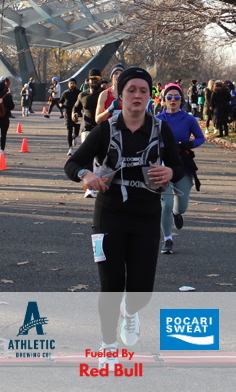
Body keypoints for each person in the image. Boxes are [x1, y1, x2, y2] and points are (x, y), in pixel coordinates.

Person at [64, 67, 183, 358]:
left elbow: (179, 166)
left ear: (151, 95)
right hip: (109, 214)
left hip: (146, 215)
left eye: (143, 91)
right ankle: (108, 344)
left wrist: (170, 171)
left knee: (142, 290)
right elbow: (72, 163)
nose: (137, 96)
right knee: (111, 285)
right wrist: (85, 174)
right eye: (131, 90)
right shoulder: (105, 129)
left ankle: (130, 311)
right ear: (120, 95)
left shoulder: (160, 129)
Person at [156, 83, 204, 254]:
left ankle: (177, 212)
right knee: (166, 205)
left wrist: (189, 144)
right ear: (164, 100)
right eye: (169, 97)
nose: (173, 100)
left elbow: (200, 138)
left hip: (182, 163)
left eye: (176, 97)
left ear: (181, 100)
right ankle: (168, 239)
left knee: (181, 206)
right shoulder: (158, 119)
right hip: (163, 164)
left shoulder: (188, 119)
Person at [73, 69, 105, 197]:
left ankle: (101, 178)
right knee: (87, 156)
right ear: (88, 81)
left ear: (100, 80)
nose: (94, 81)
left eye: (97, 79)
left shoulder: (104, 94)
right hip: (87, 128)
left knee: (101, 158)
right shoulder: (82, 95)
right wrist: (74, 115)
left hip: (102, 128)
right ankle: (89, 188)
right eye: (92, 79)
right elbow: (76, 108)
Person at [0, 77, 15, 154]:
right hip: (5, 116)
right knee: (3, 134)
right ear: (4, 88)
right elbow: (12, 106)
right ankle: (2, 149)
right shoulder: (7, 96)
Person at [59, 78, 81, 154]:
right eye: (70, 83)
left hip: (78, 113)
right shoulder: (65, 93)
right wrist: (61, 105)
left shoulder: (79, 93)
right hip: (68, 113)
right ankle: (70, 148)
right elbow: (60, 102)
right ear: (68, 84)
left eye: (73, 83)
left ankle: (74, 136)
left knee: (77, 130)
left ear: (75, 84)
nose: (72, 85)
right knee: (69, 130)